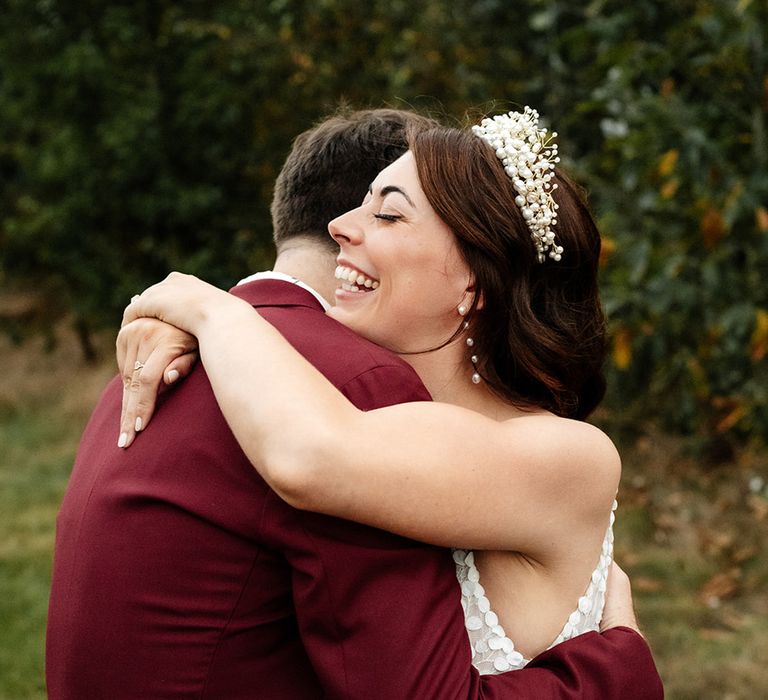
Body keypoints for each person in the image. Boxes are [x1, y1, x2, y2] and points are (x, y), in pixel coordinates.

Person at [47, 108, 661, 699]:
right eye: (359, 202)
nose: (340, 223)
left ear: (474, 277)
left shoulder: (569, 454)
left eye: (389, 215)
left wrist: (214, 310)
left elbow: (308, 456)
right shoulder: (379, 414)